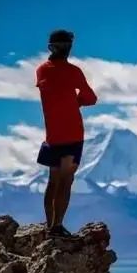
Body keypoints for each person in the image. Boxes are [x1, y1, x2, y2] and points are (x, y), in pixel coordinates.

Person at [36, 29, 97, 237]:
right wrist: (75, 103)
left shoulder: (42, 70)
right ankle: (57, 226)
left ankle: (48, 225)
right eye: (67, 46)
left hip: (53, 134)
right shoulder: (74, 72)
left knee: (53, 181)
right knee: (66, 181)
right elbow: (91, 98)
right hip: (72, 134)